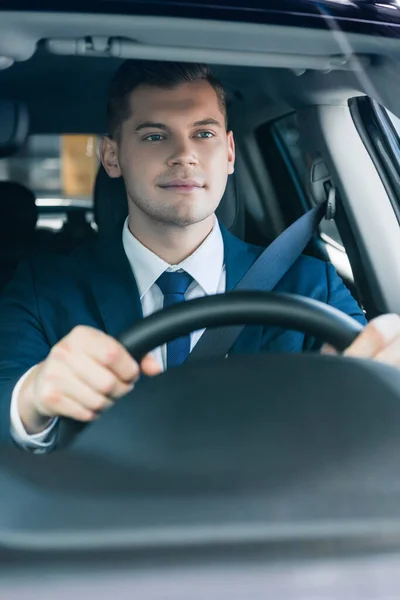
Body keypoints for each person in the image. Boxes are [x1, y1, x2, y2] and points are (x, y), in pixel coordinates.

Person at [0, 60, 398, 452]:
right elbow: (6, 399)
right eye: (155, 136)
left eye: (203, 134)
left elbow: (368, 406)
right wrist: (31, 399)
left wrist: (383, 379)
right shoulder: (42, 288)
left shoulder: (310, 285)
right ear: (112, 157)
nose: (184, 155)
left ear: (228, 152)